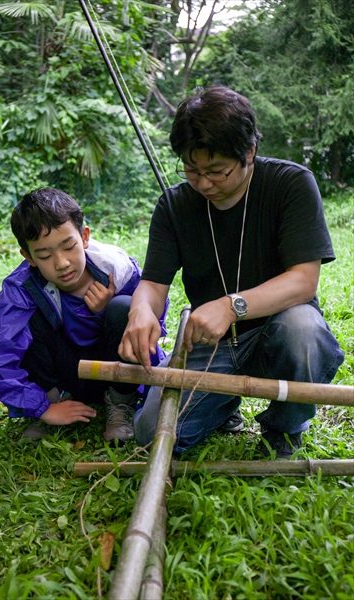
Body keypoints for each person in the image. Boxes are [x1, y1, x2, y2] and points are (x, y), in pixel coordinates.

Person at [119, 86, 344, 459]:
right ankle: (222, 406)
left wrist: (231, 306)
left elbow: (304, 279)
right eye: (192, 170)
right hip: (213, 346)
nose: (204, 183)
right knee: (151, 434)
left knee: (303, 329)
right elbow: (154, 283)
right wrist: (141, 311)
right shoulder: (174, 205)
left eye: (216, 171)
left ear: (249, 152)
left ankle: (284, 429)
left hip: (279, 333)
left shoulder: (290, 184)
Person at [0, 188, 166, 443]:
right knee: (23, 320)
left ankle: (121, 405)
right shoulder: (23, 288)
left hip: (113, 374)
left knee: (125, 308)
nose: (61, 263)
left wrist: (104, 313)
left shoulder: (118, 272)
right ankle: (54, 403)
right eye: (45, 255)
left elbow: (152, 325)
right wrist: (42, 407)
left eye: (69, 247)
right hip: (61, 377)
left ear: (84, 237)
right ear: (28, 257)